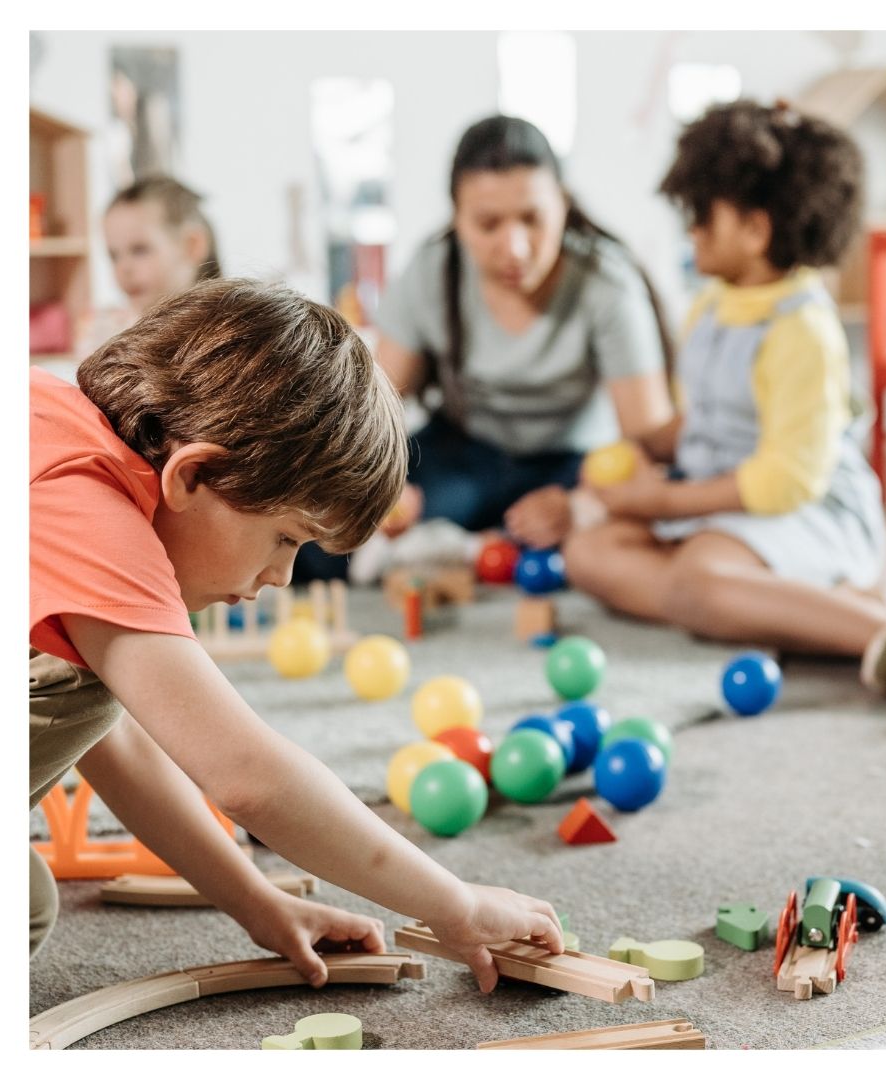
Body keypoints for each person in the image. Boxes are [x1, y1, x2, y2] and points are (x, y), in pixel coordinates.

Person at [30, 278, 563, 988]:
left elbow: (114, 739)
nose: (282, 575)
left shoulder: (48, 421)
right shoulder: (90, 516)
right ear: (192, 475)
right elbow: (248, 778)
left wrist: (255, 900)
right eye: (285, 538)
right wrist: (452, 902)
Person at [562, 100, 886, 694]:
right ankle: (790, 605)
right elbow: (712, 416)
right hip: (725, 511)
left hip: (803, 512)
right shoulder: (712, 304)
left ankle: (884, 629)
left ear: (756, 229)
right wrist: (649, 448)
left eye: (702, 216)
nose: (690, 230)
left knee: (697, 579)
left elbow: (785, 480)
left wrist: (661, 502)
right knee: (588, 551)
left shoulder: (802, 329)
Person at [292, 114, 677, 582]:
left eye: (532, 219)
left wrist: (578, 504)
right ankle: (477, 543)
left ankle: (473, 544)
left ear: (563, 204)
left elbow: (648, 441)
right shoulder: (433, 271)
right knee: (322, 540)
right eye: (488, 224)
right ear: (457, 218)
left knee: (624, 535)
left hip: (569, 463)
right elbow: (375, 405)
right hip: (463, 453)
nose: (514, 248)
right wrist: (385, 481)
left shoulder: (607, 282)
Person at [75, 176, 222, 359]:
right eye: (114, 256)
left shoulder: (221, 332)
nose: (124, 268)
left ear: (192, 246)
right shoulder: (110, 329)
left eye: (140, 250)